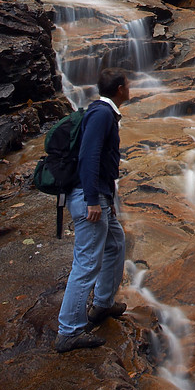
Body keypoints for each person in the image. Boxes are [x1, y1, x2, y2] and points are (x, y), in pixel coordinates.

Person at [54, 68, 130, 352]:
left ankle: (102, 304)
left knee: (115, 244)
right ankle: (69, 331)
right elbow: (89, 155)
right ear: (120, 89)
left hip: (100, 194)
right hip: (89, 196)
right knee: (87, 262)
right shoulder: (101, 115)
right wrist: (91, 200)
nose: (130, 88)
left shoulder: (103, 113)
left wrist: (105, 198)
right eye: (128, 85)